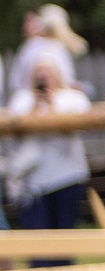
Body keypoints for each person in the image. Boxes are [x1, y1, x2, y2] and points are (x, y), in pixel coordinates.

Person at [5, 55, 91, 260]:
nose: (44, 81)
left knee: (63, 237)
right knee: (36, 241)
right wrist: (36, 104)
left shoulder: (72, 98)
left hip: (66, 176)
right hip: (33, 181)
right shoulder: (21, 99)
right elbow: (14, 132)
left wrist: (51, 103)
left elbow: (79, 126)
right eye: (39, 77)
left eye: (48, 75)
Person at [13, 5, 85, 98]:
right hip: (36, 100)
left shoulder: (32, 46)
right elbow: (67, 80)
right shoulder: (39, 46)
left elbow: (16, 80)